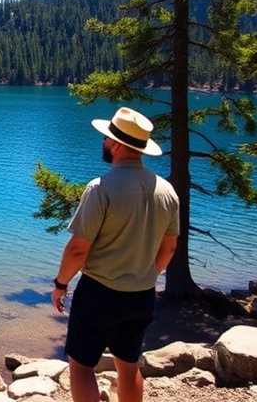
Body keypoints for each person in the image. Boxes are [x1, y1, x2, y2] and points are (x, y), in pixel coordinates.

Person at [51, 107, 179, 402]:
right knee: (128, 365)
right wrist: (146, 276)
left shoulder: (101, 188)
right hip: (142, 295)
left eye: (106, 138)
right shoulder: (167, 191)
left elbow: (78, 249)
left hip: (100, 293)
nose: (104, 142)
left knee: (82, 365)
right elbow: (169, 247)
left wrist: (60, 284)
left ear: (117, 144)